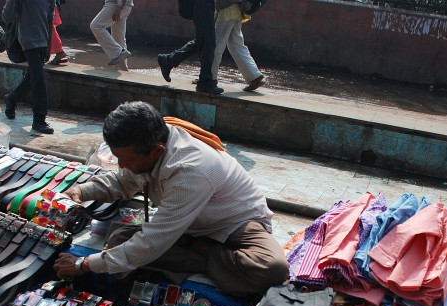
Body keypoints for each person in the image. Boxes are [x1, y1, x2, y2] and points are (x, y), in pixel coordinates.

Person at [53, 101, 289, 294]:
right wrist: (83, 191)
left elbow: (151, 242)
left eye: (127, 160)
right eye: (118, 158)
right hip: (188, 228)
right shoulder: (150, 143)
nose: (122, 165)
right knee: (119, 241)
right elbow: (123, 181)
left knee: (272, 269)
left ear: (157, 151)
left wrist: (83, 264)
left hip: (233, 225)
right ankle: (209, 257)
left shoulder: (190, 170)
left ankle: (201, 253)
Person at [2, 0, 56, 135]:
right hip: (27, 40)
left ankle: (11, 99)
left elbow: (50, 17)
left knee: (32, 77)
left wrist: (49, 45)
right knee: (38, 79)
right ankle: (39, 119)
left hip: (43, 39)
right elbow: (6, 16)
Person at [157, 0, 222, 94]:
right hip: (203, 4)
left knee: (203, 41)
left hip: (204, 4)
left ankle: (169, 60)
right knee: (207, 42)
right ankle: (205, 82)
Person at [213, 0, 264, 91]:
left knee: (216, 47)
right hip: (236, 13)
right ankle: (254, 76)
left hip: (226, 12)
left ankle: (209, 78)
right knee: (236, 46)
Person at [90, 0, 134, 68]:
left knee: (96, 26)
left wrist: (119, 6)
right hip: (125, 5)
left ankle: (118, 52)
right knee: (119, 39)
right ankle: (123, 69)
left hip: (115, 3)